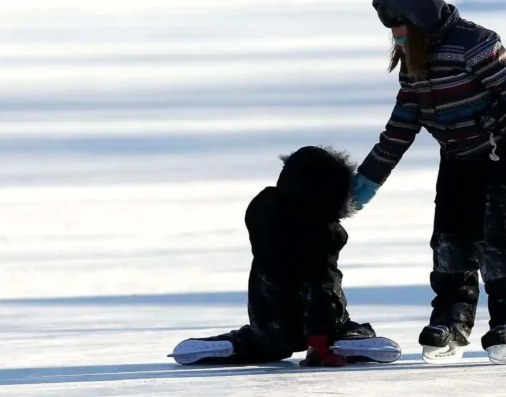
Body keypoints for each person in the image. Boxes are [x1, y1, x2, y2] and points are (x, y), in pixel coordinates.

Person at [351, 0, 506, 365]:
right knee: (449, 241)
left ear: (419, 15)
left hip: (499, 154)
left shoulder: (477, 44)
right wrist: (368, 179)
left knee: (498, 242)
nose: (395, 36)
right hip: (458, 159)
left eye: (399, 26)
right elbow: (401, 126)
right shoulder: (414, 66)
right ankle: (450, 321)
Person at [170, 145, 401, 367]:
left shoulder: (264, 211)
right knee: (351, 327)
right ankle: (347, 341)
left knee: (264, 339)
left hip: (268, 322)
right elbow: (321, 285)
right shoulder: (324, 232)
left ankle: (239, 344)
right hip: (316, 325)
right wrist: (318, 343)